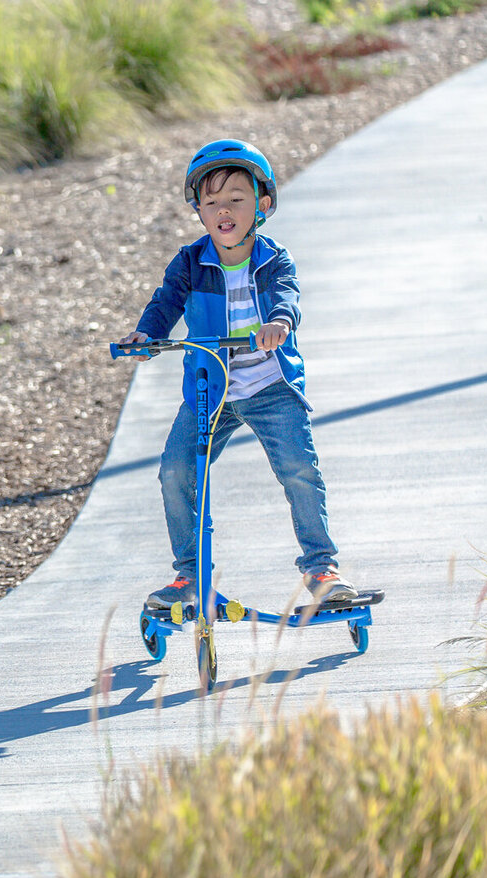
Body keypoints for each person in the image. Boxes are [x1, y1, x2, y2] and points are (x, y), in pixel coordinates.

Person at [120, 138, 357, 610]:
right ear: (199, 211)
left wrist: (278, 324)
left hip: (270, 386)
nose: (223, 211)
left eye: (236, 199)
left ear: (263, 205)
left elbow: (286, 297)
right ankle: (190, 578)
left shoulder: (273, 260)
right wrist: (147, 335)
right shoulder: (190, 262)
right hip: (212, 387)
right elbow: (165, 301)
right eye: (211, 202)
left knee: (299, 470)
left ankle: (321, 568)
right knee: (176, 471)